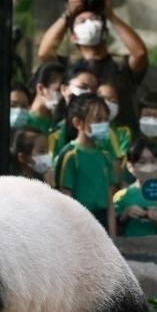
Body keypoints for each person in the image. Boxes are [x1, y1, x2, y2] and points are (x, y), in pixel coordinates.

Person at [38, 0, 149, 134]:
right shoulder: (69, 68)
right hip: (74, 140)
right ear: (73, 37)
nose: (89, 23)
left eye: (94, 19)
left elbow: (140, 53)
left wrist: (111, 15)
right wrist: (67, 14)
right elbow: (44, 53)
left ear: (104, 30)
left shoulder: (120, 67)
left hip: (119, 141)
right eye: (82, 21)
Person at [56, 94, 116, 236]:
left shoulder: (105, 156)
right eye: (98, 120)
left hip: (102, 222)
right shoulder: (70, 154)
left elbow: (110, 200)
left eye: (106, 120)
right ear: (78, 123)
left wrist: (113, 235)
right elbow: (66, 199)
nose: (103, 124)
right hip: (79, 222)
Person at [114, 140, 157, 237]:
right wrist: (126, 214)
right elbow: (114, 231)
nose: (149, 167)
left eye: (153, 161)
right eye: (142, 162)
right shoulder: (121, 196)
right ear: (130, 166)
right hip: (130, 250)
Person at [48, 65, 99, 161]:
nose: (88, 93)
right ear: (64, 89)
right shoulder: (54, 133)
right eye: (83, 87)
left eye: (94, 90)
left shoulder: (101, 132)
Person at [25, 62, 66, 135]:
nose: (63, 94)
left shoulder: (60, 123)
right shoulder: (24, 120)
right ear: (40, 89)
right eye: (58, 90)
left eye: (65, 89)